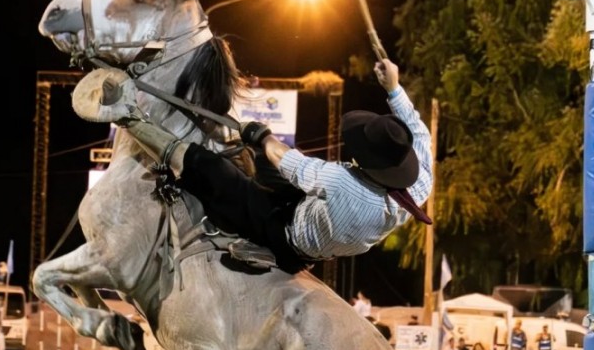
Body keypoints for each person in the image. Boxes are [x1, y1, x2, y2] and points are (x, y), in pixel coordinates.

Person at [76, 58, 432, 275]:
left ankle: (127, 117)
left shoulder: (341, 182)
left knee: (212, 170)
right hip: (321, 220)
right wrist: (394, 88)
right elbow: (417, 128)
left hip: (288, 235)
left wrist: (261, 135)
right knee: (256, 160)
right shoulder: (420, 183)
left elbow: (288, 161)